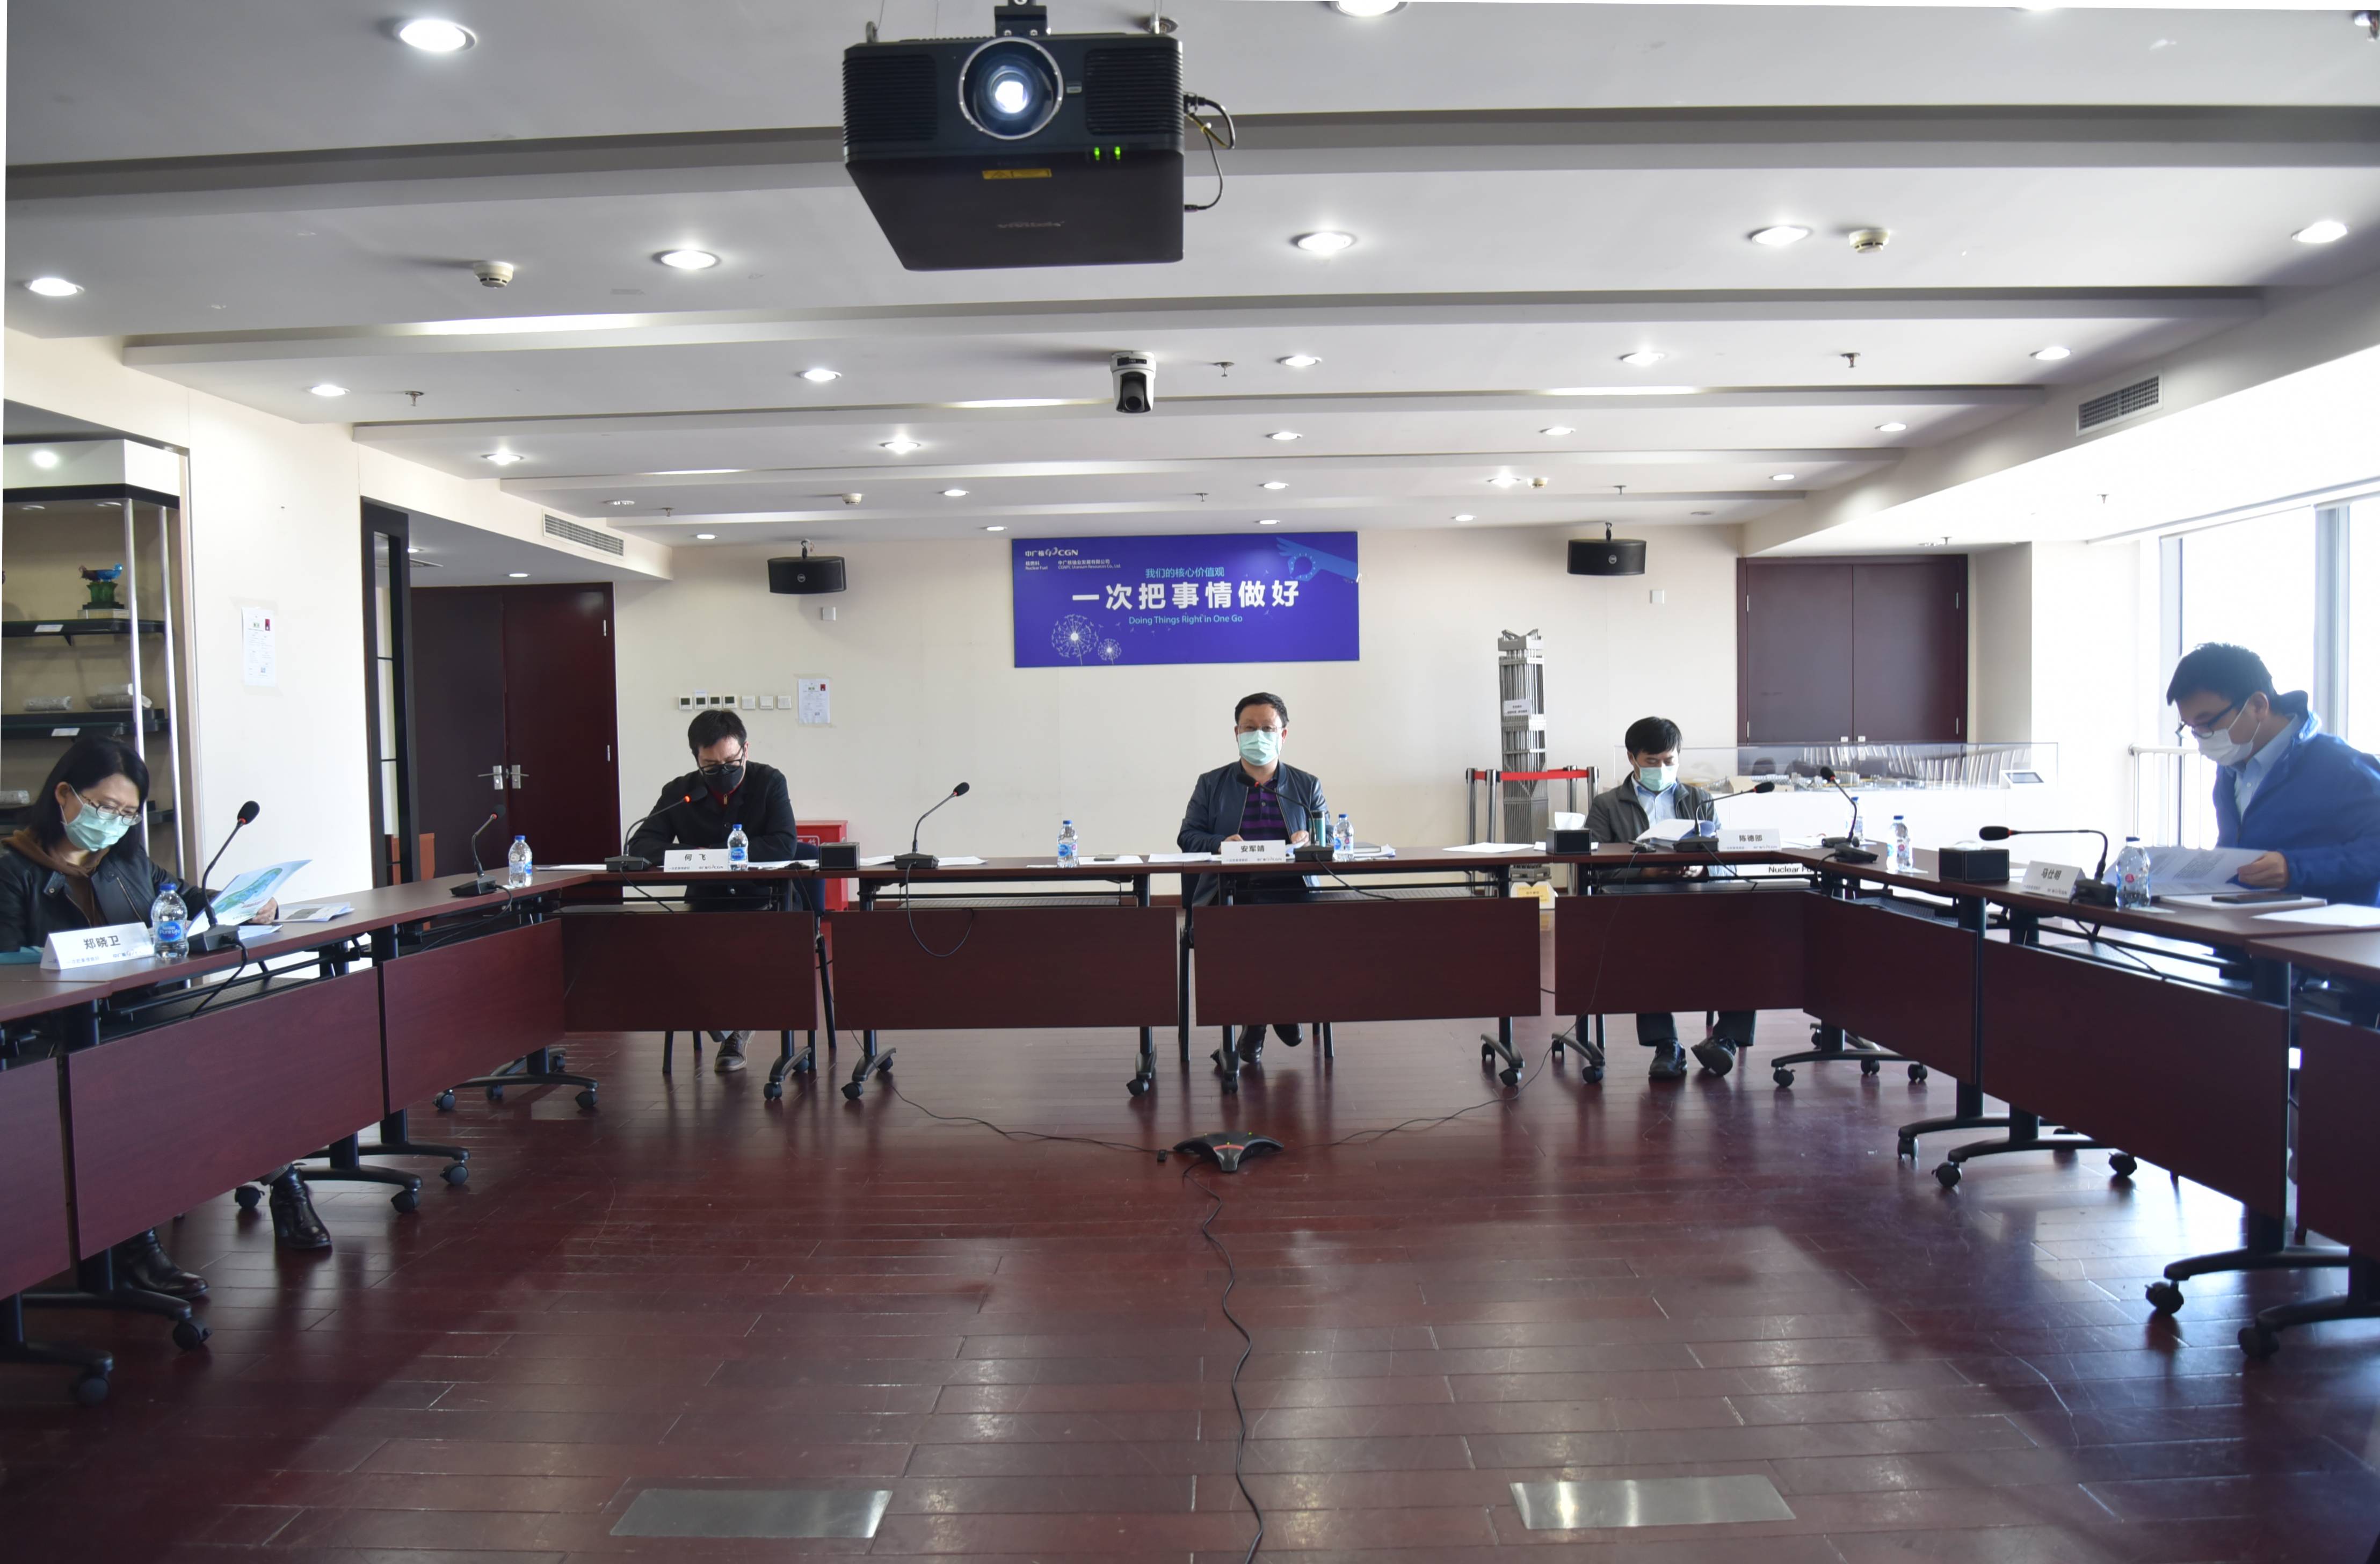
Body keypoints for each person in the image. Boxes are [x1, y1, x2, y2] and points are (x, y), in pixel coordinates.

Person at [0, 735, 325, 1272]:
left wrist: (245, 904)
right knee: (135, 1080)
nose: (114, 822)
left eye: (127, 813)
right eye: (105, 807)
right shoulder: (13, 869)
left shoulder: (125, 861)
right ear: (64, 794)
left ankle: (286, 1183)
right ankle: (134, 1243)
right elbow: (8, 967)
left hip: (139, 1015)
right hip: (60, 1031)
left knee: (228, 1054)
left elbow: (187, 901)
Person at [625, 708, 802, 1071]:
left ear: (745, 750)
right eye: (711, 766)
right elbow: (641, 845)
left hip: (765, 901)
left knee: (743, 947)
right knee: (669, 947)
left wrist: (719, 855)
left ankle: (735, 1028)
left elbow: (784, 844)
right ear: (696, 759)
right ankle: (717, 1017)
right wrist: (695, 854)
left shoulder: (769, 782)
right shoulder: (680, 792)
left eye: (731, 762)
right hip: (705, 904)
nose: (722, 772)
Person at [1582, 716, 1755, 1080]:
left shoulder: (1699, 799)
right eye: (1652, 761)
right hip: (1639, 903)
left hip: (1698, 900)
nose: (1662, 768)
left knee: (1746, 935)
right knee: (1645, 944)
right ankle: (1667, 1046)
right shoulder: (1607, 805)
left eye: (1669, 761)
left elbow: (1723, 861)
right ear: (1632, 758)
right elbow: (1593, 869)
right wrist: (1644, 873)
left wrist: (1702, 869)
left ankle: (1725, 1039)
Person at [2167, 642, 2380, 905]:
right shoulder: (2231, 765)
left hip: (2321, 927)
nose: (2202, 737)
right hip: (2240, 922)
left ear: (2258, 705)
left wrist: (2294, 867)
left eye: (2207, 722)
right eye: (2191, 727)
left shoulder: (2343, 766)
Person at [1178, 692, 1328, 1062]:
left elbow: (1328, 840)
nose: (1258, 736)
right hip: (1230, 893)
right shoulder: (1212, 784)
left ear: (1283, 735)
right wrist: (1219, 842)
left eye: (1268, 729)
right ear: (1236, 733)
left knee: (1284, 929)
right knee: (1244, 930)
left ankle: (1259, 1022)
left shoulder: (1306, 786)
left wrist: (1310, 839)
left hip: (1293, 894)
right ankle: (1277, 1013)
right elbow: (1188, 836)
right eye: (1249, 728)